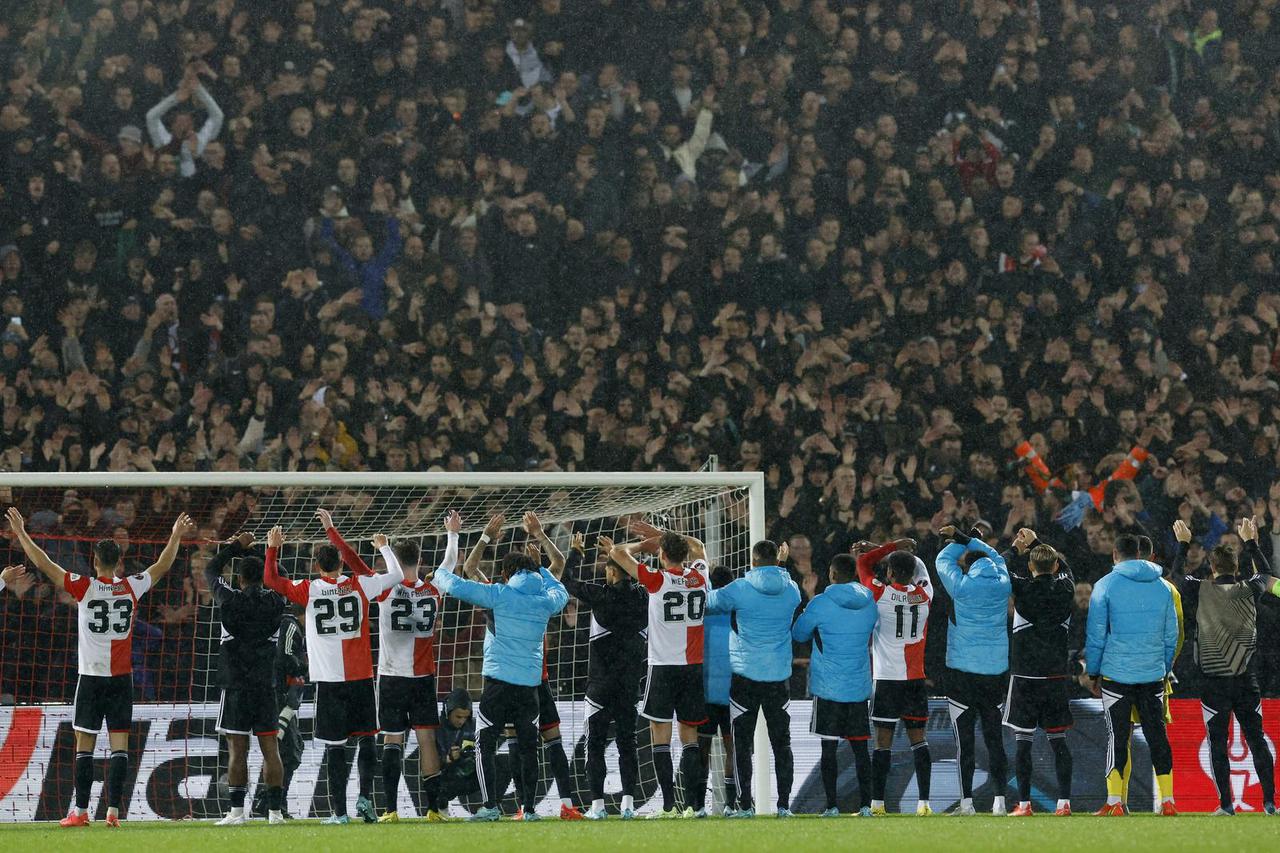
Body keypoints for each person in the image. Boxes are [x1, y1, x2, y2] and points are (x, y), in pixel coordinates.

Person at [6, 507, 194, 828]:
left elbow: (44, 563)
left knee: (85, 746)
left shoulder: (85, 587)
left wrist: (22, 532)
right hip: (121, 679)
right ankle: (114, 813)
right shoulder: (131, 586)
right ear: (119, 562)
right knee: (120, 746)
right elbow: (163, 565)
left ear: (94, 561)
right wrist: (175, 535)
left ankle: (80, 811)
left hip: (91, 678)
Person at [262, 516, 408, 825]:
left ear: (317, 567)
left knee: (335, 746)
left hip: (329, 680)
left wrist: (272, 548)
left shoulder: (309, 589)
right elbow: (397, 574)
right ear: (342, 564)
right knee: (367, 738)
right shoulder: (361, 584)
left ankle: (339, 813)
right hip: (361, 677)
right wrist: (382, 547)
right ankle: (365, 797)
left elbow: (271, 580)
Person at [432, 517, 569, 822]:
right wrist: (542, 569)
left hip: (498, 684)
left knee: (485, 744)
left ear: (506, 574)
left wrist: (451, 555)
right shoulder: (545, 600)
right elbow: (560, 588)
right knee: (529, 747)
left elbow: (454, 582)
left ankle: (490, 805)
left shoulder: (498, 594)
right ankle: (529, 809)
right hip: (530, 688)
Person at [1173, 518, 1280, 816]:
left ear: (1211, 567)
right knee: (1256, 739)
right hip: (1246, 679)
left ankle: (1226, 805)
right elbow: (1266, 574)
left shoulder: (1201, 589)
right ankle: (1270, 803)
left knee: (1218, 743)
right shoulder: (1249, 588)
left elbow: (1176, 576)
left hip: (1213, 681)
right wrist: (1251, 542)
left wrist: (1183, 544)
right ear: (1236, 567)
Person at [609, 523, 710, 819]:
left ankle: (668, 807)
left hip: (663, 668)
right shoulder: (699, 576)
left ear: (662, 555)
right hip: (692, 668)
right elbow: (699, 546)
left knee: (660, 738)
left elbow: (617, 552)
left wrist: (645, 544)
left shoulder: (656, 580)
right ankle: (693, 806)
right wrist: (665, 537)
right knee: (690, 738)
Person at [1084, 533, 1180, 817]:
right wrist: (1164, 668)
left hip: (1116, 674)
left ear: (1115, 554)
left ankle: (1114, 801)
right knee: (1157, 735)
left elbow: (1096, 635)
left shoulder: (1105, 585)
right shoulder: (1163, 587)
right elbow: (1171, 636)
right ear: (1140, 554)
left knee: (1117, 735)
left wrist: (1093, 671)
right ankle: (1168, 801)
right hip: (1152, 674)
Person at [705, 539, 802, 818]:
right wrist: (781, 567)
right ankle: (783, 806)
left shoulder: (739, 589)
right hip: (778, 678)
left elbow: (709, 602)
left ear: (753, 561)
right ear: (775, 560)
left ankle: (745, 805)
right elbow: (777, 582)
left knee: (741, 745)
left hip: (745, 677)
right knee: (782, 745)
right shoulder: (792, 590)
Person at [371, 521, 460, 823]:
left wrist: (383, 547)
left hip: (391, 676)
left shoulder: (385, 589)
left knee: (392, 740)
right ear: (420, 560)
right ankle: (434, 809)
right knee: (426, 742)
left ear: (396, 561)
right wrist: (452, 532)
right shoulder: (433, 590)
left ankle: (390, 810)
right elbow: (450, 562)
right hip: (422, 678)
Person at [561, 533, 647, 820]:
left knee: (595, 745)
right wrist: (621, 552)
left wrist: (576, 552)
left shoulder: (600, 595)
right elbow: (647, 577)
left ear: (611, 572)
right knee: (627, 744)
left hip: (599, 686)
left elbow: (566, 580)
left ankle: (597, 806)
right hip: (629, 686)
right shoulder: (644, 597)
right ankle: (628, 805)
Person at [203, 532, 286, 825]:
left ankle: (237, 812)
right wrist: (262, 552)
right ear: (263, 579)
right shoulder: (275, 601)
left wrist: (236, 547)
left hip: (236, 686)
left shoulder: (229, 599)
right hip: (265, 686)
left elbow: (211, 569)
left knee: (237, 751)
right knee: (271, 750)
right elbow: (281, 573)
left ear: (239, 580)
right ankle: (275, 813)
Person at [792, 552, 877, 817]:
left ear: (833, 574)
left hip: (828, 687)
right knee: (860, 751)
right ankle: (866, 806)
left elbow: (799, 633)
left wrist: (809, 603)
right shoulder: (869, 602)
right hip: (857, 687)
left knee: (828, 750)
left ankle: (831, 806)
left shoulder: (821, 603)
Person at [935, 525, 1012, 816]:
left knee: (965, 741)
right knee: (994, 739)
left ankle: (966, 803)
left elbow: (943, 559)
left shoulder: (961, 586)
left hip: (962, 672)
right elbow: (998, 557)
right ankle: (1000, 802)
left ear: (967, 567)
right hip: (994, 671)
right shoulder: (1003, 583)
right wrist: (970, 539)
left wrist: (961, 539)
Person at [854, 539, 934, 816]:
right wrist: (901, 550)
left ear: (889, 572)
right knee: (919, 741)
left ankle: (877, 804)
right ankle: (924, 804)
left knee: (882, 744)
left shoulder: (879, 594)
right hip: (914, 680)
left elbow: (863, 562)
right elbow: (918, 565)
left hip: (886, 680)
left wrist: (890, 546)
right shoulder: (925, 595)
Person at [1002, 530, 1076, 817]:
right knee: (1059, 742)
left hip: (1026, 677)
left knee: (1023, 743)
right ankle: (1064, 803)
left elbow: (1000, 568)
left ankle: (1024, 804)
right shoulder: (1066, 588)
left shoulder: (1022, 588)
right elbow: (1067, 570)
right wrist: (1036, 541)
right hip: (1055, 677)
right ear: (1055, 566)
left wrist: (1015, 548)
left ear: (1031, 566)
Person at [251, 604, 307, 819]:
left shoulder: (281, 623)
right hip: (277, 695)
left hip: (273, 692)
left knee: (288, 749)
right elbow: (285, 655)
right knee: (288, 750)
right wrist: (303, 668)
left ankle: (269, 802)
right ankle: (269, 802)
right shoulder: (290, 624)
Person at [700, 565, 736, 816]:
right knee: (733, 748)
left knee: (701, 748)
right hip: (733, 691)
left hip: (705, 691)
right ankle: (732, 804)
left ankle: (697, 804)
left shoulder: (701, 609)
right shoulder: (739, 610)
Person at [435, 689, 479, 810]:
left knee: (500, 765)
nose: (461, 721)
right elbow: (426, 766)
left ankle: (491, 807)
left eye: (465, 717)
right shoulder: (435, 730)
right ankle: (440, 809)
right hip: (447, 777)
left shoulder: (475, 727)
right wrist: (447, 759)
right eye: (458, 716)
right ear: (447, 712)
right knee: (434, 779)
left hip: (471, 775)